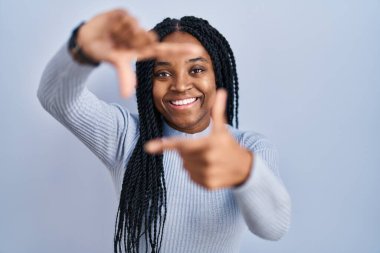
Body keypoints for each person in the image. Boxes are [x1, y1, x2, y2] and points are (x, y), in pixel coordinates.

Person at [37, 8, 291, 253]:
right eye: (163, 73)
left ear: (218, 77)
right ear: (148, 82)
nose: (180, 85)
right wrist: (81, 49)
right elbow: (56, 99)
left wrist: (244, 170)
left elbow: (274, 227)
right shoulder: (126, 137)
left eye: (197, 69)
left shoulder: (250, 148)